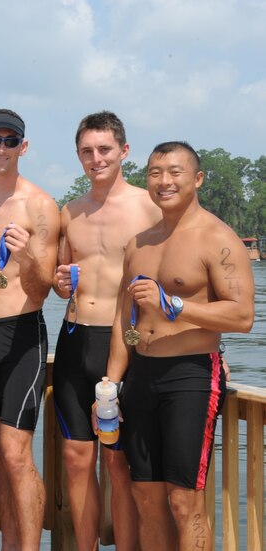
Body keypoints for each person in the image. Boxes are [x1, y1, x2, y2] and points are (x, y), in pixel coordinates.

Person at [105, 141, 255, 550]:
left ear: (198, 179)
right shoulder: (138, 243)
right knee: (145, 496)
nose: (164, 181)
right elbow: (125, 319)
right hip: (141, 376)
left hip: (190, 376)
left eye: (175, 172)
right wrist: (111, 383)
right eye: (155, 173)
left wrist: (174, 305)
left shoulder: (218, 239)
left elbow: (242, 317)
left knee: (183, 501)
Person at [52, 111, 159, 550]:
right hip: (75, 339)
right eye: (87, 151)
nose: (95, 159)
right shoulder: (70, 211)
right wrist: (60, 284)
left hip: (124, 344)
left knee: (119, 465)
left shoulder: (149, 206)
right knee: (77, 460)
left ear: (124, 151)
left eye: (104, 150)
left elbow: (177, 277)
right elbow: (61, 281)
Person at [0, 109, 60, 549]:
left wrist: (30, 259)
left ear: (24, 146)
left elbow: (43, 291)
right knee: (0, 455)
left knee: (18, 455)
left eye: (11, 140)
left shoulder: (39, 205)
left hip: (21, 335)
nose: (3, 148)